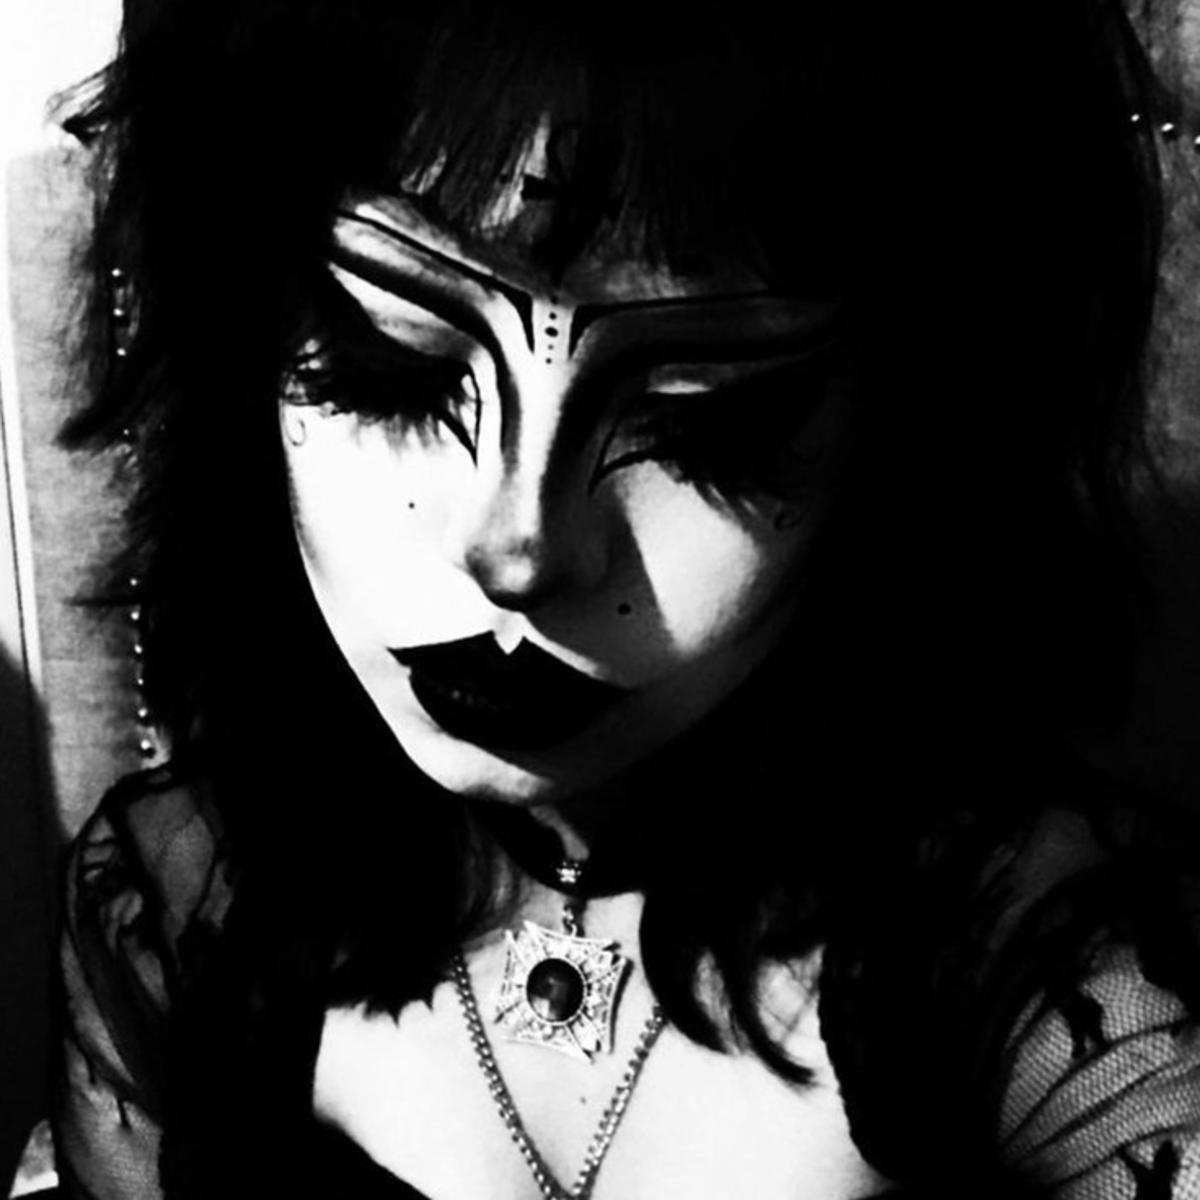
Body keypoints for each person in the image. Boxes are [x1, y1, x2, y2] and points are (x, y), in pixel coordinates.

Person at [51, 0, 1200, 1196]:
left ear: (919, 420)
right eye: (392, 369)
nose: (519, 550)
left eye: (702, 421)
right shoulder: (181, 903)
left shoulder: (1048, 962)